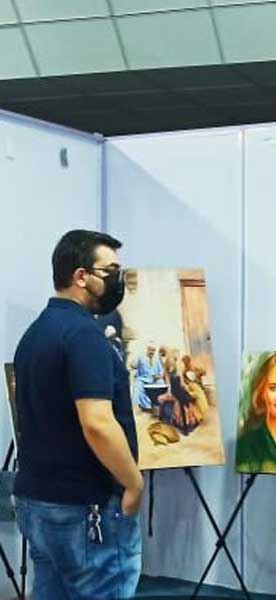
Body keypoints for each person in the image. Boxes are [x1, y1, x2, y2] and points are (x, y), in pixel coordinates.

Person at [13, 229, 142, 600]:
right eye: (111, 270)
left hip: (38, 501)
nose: (118, 279)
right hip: (84, 506)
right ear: (81, 276)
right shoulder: (84, 336)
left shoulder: (35, 334)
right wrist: (133, 483)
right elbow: (97, 423)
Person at [131, 342, 164, 411]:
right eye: (150, 350)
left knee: (161, 383)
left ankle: (158, 405)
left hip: (154, 380)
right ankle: (142, 406)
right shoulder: (141, 358)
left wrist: (158, 376)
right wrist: (135, 363)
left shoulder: (157, 359)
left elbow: (161, 371)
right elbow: (133, 365)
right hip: (143, 379)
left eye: (153, 350)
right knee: (137, 386)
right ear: (147, 350)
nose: (152, 352)